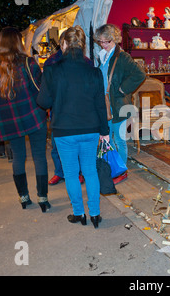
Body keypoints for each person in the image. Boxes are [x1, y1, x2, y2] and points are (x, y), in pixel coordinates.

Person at [37, 25, 109, 229]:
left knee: (70, 173)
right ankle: (95, 214)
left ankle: (79, 213)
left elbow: (43, 102)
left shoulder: (51, 70)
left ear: (64, 44)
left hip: (64, 130)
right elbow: (100, 105)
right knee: (90, 171)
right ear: (83, 46)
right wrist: (105, 132)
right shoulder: (95, 72)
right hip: (91, 129)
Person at [0, 27, 49, 212]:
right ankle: (43, 198)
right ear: (18, 42)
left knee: (18, 157)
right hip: (33, 116)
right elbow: (40, 88)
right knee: (39, 156)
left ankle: (24, 198)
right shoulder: (28, 63)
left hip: (10, 120)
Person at [93, 24, 146, 184]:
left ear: (114, 39)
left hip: (119, 105)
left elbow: (140, 74)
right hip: (105, 104)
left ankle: (122, 171)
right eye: (101, 41)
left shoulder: (122, 57)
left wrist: (123, 89)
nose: (103, 44)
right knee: (107, 139)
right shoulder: (102, 55)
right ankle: (113, 168)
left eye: (106, 41)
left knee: (120, 140)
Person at [43, 31, 90, 186]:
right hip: (59, 112)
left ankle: (78, 173)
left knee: (78, 147)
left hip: (81, 112)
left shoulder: (86, 62)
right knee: (57, 147)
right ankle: (59, 172)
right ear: (62, 43)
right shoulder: (51, 62)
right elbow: (46, 94)